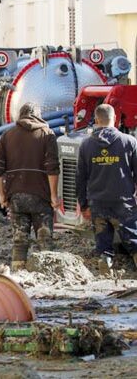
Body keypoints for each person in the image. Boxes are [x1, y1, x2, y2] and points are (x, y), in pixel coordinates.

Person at [0, 102, 60, 271]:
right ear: (38, 115)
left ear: (20, 115)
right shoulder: (47, 134)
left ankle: (18, 274)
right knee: (45, 239)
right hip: (41, 198)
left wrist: (1, 195)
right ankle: (47, 274)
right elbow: (52, 168)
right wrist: (53, 196)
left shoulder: (8, 135)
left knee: (19, 240)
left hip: (16, 198)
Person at [76, 103, 137, 275]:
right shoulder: (129, 142)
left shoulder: (86, 145)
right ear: (115, 118)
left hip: (98, 203)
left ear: (96, 120)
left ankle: (105, 269)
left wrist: (84, 204)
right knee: (133, 240)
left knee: (103, 244)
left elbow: (80, 178)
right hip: (123, 203)